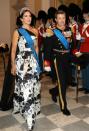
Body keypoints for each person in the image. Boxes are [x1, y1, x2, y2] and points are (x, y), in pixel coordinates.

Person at [11, 7, 41, 131]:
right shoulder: (17, 32)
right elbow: (13, 49)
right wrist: (13, 65)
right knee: (25, 89)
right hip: (22, 64)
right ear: (21, 18)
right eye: (26, 16)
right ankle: (30, 120)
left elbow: (37, 48)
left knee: (33, 87)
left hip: (33, 63)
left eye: (30, 16)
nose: (28, 18)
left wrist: (38, 62)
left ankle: (25, 107)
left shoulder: (35, 30)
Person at [44, 10, 73, 116]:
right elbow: (47, 48)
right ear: (56, 19)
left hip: (67, 58)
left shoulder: (69, 29)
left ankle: (53, 92)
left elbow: (70, 45)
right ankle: (63, 106)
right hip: (57, 59)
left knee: (66, 81)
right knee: (61, 82)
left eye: (63, 18)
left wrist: (77, 41)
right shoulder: (52, 31)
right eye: (59, 18)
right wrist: (46, 63)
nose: (62, 20)